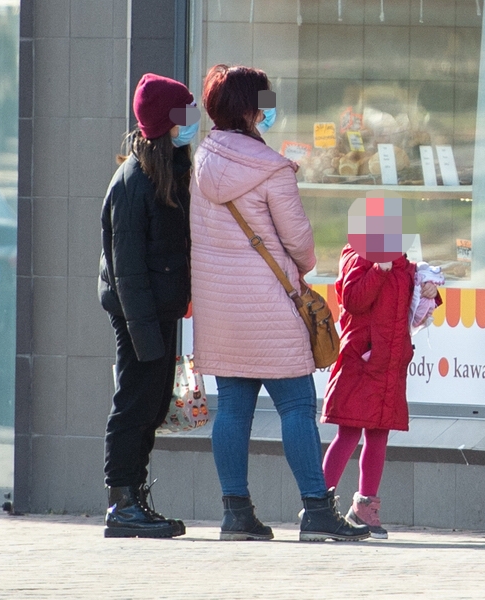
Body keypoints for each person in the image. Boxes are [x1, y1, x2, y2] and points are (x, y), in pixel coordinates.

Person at [189, 64, 369, 542]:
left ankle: (236, 513)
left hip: (221, 310)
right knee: (295, 405)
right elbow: (301, 245)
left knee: (231, 410)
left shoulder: (202, 161)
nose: (270, 111)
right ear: (249, 109)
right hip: (271, 306)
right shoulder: (270, 168)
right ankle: (315, 508)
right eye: (265, 102)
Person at [98, 73, 199, 538]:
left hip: (161, 312)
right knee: (134, 404)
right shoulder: (133, 181)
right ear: (164, 122)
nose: (190, 123)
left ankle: (135, 497)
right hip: (140, 316)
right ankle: (121, 503)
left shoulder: (168, 171)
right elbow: (128, 269)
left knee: (154, 405)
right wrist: (145, 336)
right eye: (182, 115)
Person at [320, 244, 440, 539]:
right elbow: (352, 301)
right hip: (361, 361)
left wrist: (431, 293)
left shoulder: (405, 265)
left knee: (379, 433)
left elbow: (414, 308)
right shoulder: (357, 257)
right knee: (348, 432)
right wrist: (378, 270)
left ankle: (365, 506)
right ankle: (318, 504)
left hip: (389, 364)